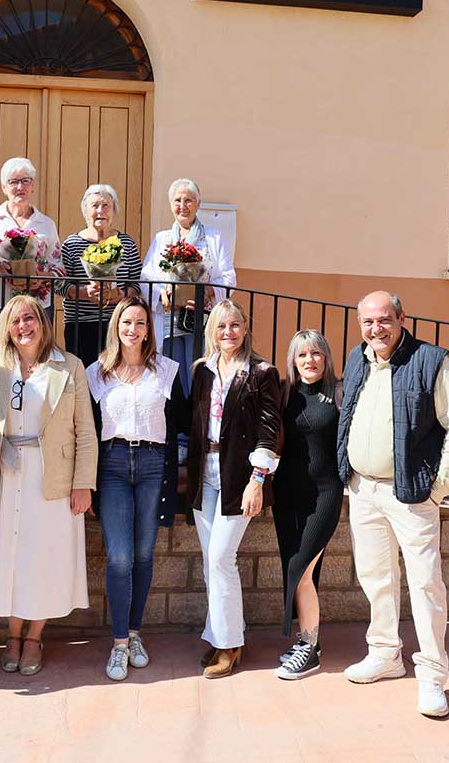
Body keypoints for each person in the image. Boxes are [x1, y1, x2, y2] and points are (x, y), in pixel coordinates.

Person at [338, 291, 449, 718]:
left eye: (384, 320)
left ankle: (432, 674)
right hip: (364, 490)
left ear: (401, 318)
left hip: (411, 493)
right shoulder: (358, 359)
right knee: (375, 576)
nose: (375, 329)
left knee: (425, 583)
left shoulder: (433, 361)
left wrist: (441, 486)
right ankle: (385, 654)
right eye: (367, 322)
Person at [0, 295, 97, 676]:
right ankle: (13, 634)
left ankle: (34, 637)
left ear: (43, 323)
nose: (23, 326)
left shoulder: (69, 366)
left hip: (52, 477)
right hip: (7, 472)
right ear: (6, 327)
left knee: (43, 557)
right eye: (15, 321)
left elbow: (85, 431)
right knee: (10, 554)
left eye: (30, 318)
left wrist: (83, 484)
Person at [86, 296, 188, 681]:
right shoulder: (97, 372)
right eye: (127, 322)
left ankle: (134, 633)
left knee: (144, 554)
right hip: (111, 465)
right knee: (119, 558)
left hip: (151, 464)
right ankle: (117, 644)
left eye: (141, 323)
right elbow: (87, 426)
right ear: (117, 326)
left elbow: (179, 420)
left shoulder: (166, 370)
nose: (133, 329)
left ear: (149, 328)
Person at [185, 299, 282, 679]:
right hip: (203, 473)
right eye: (221, 326)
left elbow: (270, 430)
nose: (229, 332)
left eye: (235, 325)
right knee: (213, 562)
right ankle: (221, 634)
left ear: (246, 328)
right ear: (212, 330)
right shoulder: (202, 371)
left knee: (222, 557)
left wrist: (257, 480)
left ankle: (230, 645)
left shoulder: (261, 372)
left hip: (237, 477)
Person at [272, 330, 342, 680]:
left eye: (316, 354)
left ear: (326, 358)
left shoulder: (339, 394)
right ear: (293, 360)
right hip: (286, 495)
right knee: (299, 572)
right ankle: (305, 639)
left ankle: (310, 650)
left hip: (325, 494)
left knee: (300, 567)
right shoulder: (283, 394)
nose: (309, 361)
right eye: (302, 355)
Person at [140, 178, 237, 395]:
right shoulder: (161, 239)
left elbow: (228, 277)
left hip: (200, 316)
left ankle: (198, 419)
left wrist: (206, 292)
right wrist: (161, 295)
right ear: (171, 205)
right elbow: (146, 277)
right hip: (169, 318)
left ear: (198, 204)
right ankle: (177, 423)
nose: (183, 206)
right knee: (171, 372)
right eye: (177, 200)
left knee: (199, 369)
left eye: (188, 200)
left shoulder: (213, 237)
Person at [0, 157, 64, 350]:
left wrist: (42, 277)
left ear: (33, 186)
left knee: (35, 357)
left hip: (36, 305)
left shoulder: (46, 224)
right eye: (13, 182)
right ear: (3, 187)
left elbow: (59, 266)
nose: (19, 187)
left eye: (25, 181)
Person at [58, 184, 142, 364]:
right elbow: (60, 285)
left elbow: (137, 283)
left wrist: (121, 295)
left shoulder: (126, 243)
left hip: (118, 324)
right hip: (81, 324)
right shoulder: (71, 244)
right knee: (84, 376)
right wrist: (84, 293)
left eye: (106, 206)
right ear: (85, 211)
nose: (100, 211)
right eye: (94, 206)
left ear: (114, 210)